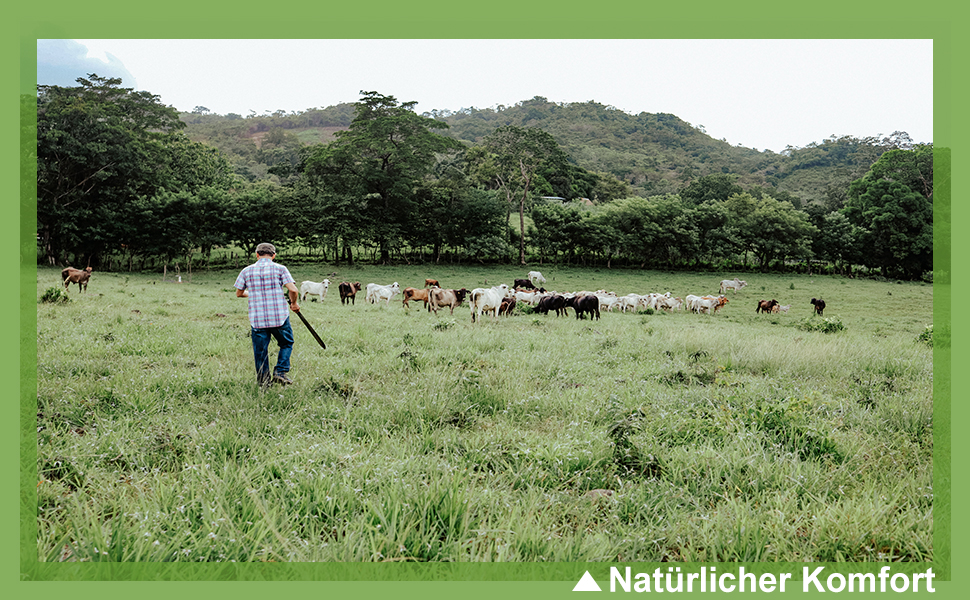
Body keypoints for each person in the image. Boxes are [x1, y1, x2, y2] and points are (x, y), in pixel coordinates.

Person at [234, 242, 301, 387]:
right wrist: (294, 303)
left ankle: (264, 383)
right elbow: (293, 290)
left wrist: (253, 293)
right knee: (286, 343)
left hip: (258, 319)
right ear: (274, 255)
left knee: (260, 351)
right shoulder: (280, 269)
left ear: (257, 255)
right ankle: (280, 372)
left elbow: (239, 293)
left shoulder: (246, 271)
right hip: (279, 318)